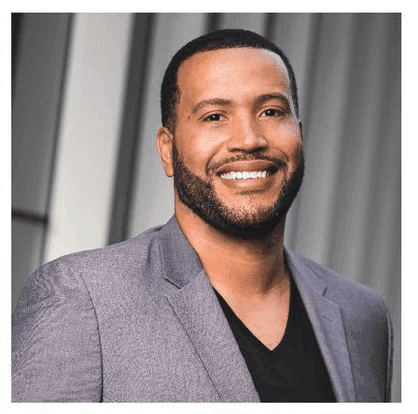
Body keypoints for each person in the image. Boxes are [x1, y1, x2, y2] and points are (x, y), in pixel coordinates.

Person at [12, 29, 393, 402]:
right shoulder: (83, 297)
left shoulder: (361, 314)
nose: (249, 139)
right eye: (214, 116)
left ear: (300, 135)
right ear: (167, 150)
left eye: (271, 111)